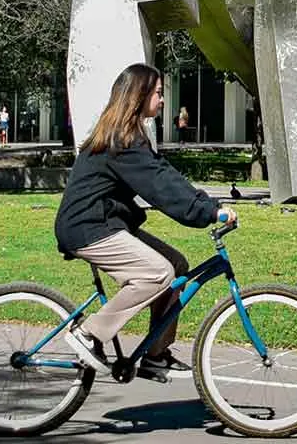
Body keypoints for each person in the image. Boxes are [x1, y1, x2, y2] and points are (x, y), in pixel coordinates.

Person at [56, 64, 236, 379]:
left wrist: (207, 205)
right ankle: (89, 333)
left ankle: (156, 355)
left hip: (106, 222)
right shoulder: (120, 139)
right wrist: (207, 212)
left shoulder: (132, 134)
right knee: (157, 273)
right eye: (158, 93)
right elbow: (160, 188)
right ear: (138, 96)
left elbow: (165, 176)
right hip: (88, 227)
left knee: (176, 265)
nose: (163, 100)